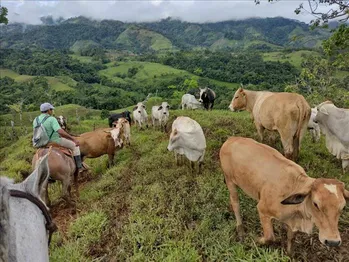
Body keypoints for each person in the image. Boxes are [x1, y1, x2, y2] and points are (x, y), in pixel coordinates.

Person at [33, 102, 85, 173]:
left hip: (41, 143)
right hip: (54, 141)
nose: (52, 111)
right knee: (75, 146)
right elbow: (60, 131)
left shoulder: (36, 120)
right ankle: (79, 167)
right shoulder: (51, 119)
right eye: (51, 109)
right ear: (48, 110)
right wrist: (73, 139)